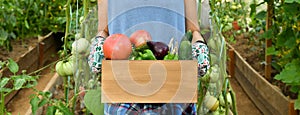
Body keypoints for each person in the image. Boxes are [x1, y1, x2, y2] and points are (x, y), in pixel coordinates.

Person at [88, 0, 210, 114]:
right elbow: (103, 29)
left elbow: (193, 29)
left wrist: (198, 45)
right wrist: (99, 44)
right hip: (121, 90)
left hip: (174, 88)